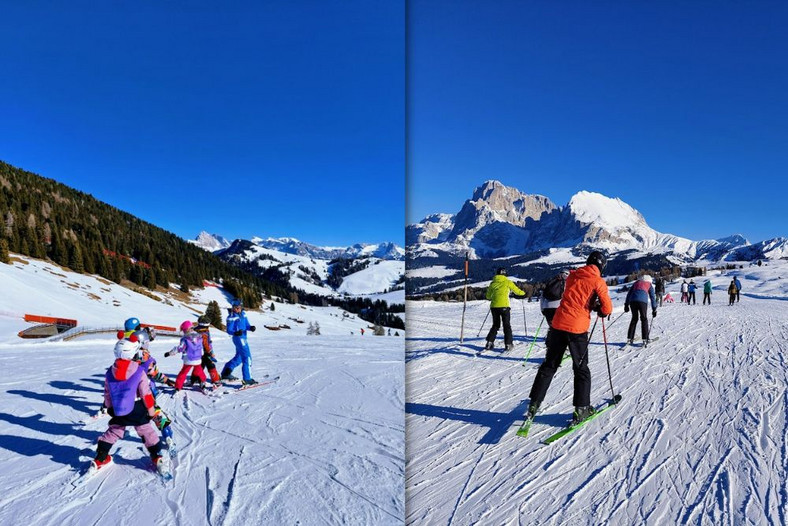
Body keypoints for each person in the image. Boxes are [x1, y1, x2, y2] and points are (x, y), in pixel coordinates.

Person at [527, 251, 613, 425]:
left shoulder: (573, 275)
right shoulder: (598, 281)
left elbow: (576, 296)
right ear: (602, 266)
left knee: (549, 366)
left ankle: (534, 404)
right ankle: (581, 409)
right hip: (577, 329)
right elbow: (607, 308)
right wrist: (598, 308)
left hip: (558, 324)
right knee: (581, 369)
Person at [91, 336, 171, 476]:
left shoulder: (110, 372)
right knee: (146, 431)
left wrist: (110, 408)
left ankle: (100, 458)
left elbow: (107, 393)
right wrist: (151, 410)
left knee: (114, 431)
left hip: (118, 409)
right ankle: (156, 456)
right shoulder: (139, 371)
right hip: (137, 408)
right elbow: (145, 394)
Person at [484, 267, 526, 352]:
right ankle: (508, 344)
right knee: (506, 325)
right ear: (505, 274)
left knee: (495, 325)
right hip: (504, 306)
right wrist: (524, 293)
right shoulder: (508, 282)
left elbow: (488, 296)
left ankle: (489, 342)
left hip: (494, 307)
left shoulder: (492, 283)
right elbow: (517, 291)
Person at [220, 299, 258, 386]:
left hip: (243, 338)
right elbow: (229, 330)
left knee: (239, 357)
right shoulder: (231, 317)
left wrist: (250, 327)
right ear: (233, 308)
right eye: (236, 307)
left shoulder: (243, 314)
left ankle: (226, 372)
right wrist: (235, 332)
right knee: (247, 358)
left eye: (239, 307)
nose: (238, 309)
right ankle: (247, 379)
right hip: (239, 339)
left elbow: (246, 325)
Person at [167, 321, 210, 391]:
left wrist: (170, 353)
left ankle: (178, 386)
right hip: (197, 359)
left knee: (183, 372)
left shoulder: (185, 339)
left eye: (184, 330)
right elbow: (200, 347)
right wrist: (201, 354)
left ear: (186, 330)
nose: (183, 332)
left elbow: (180, 348)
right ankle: (203, 382)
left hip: (189, 359)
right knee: (199, 371)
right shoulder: (199, 337)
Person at [624, 275, 657, 345]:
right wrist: (654, 309)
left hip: (633, 301)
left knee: (634, 319)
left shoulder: (636, 283)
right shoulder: (649, 284)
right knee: (644, 319)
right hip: (642, 302)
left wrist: (626, 304)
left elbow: (629, 293)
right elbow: (652, 297)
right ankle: (645, 338)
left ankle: (630, 338)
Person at [190, 315, 222, 386]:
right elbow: (206, 344)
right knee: (210, 365)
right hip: (204, 352)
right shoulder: (204, 332)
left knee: (200, 365)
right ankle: (215, 380)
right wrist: (210, 352)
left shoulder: (197, 330)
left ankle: (194, 379)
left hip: (197, 352)